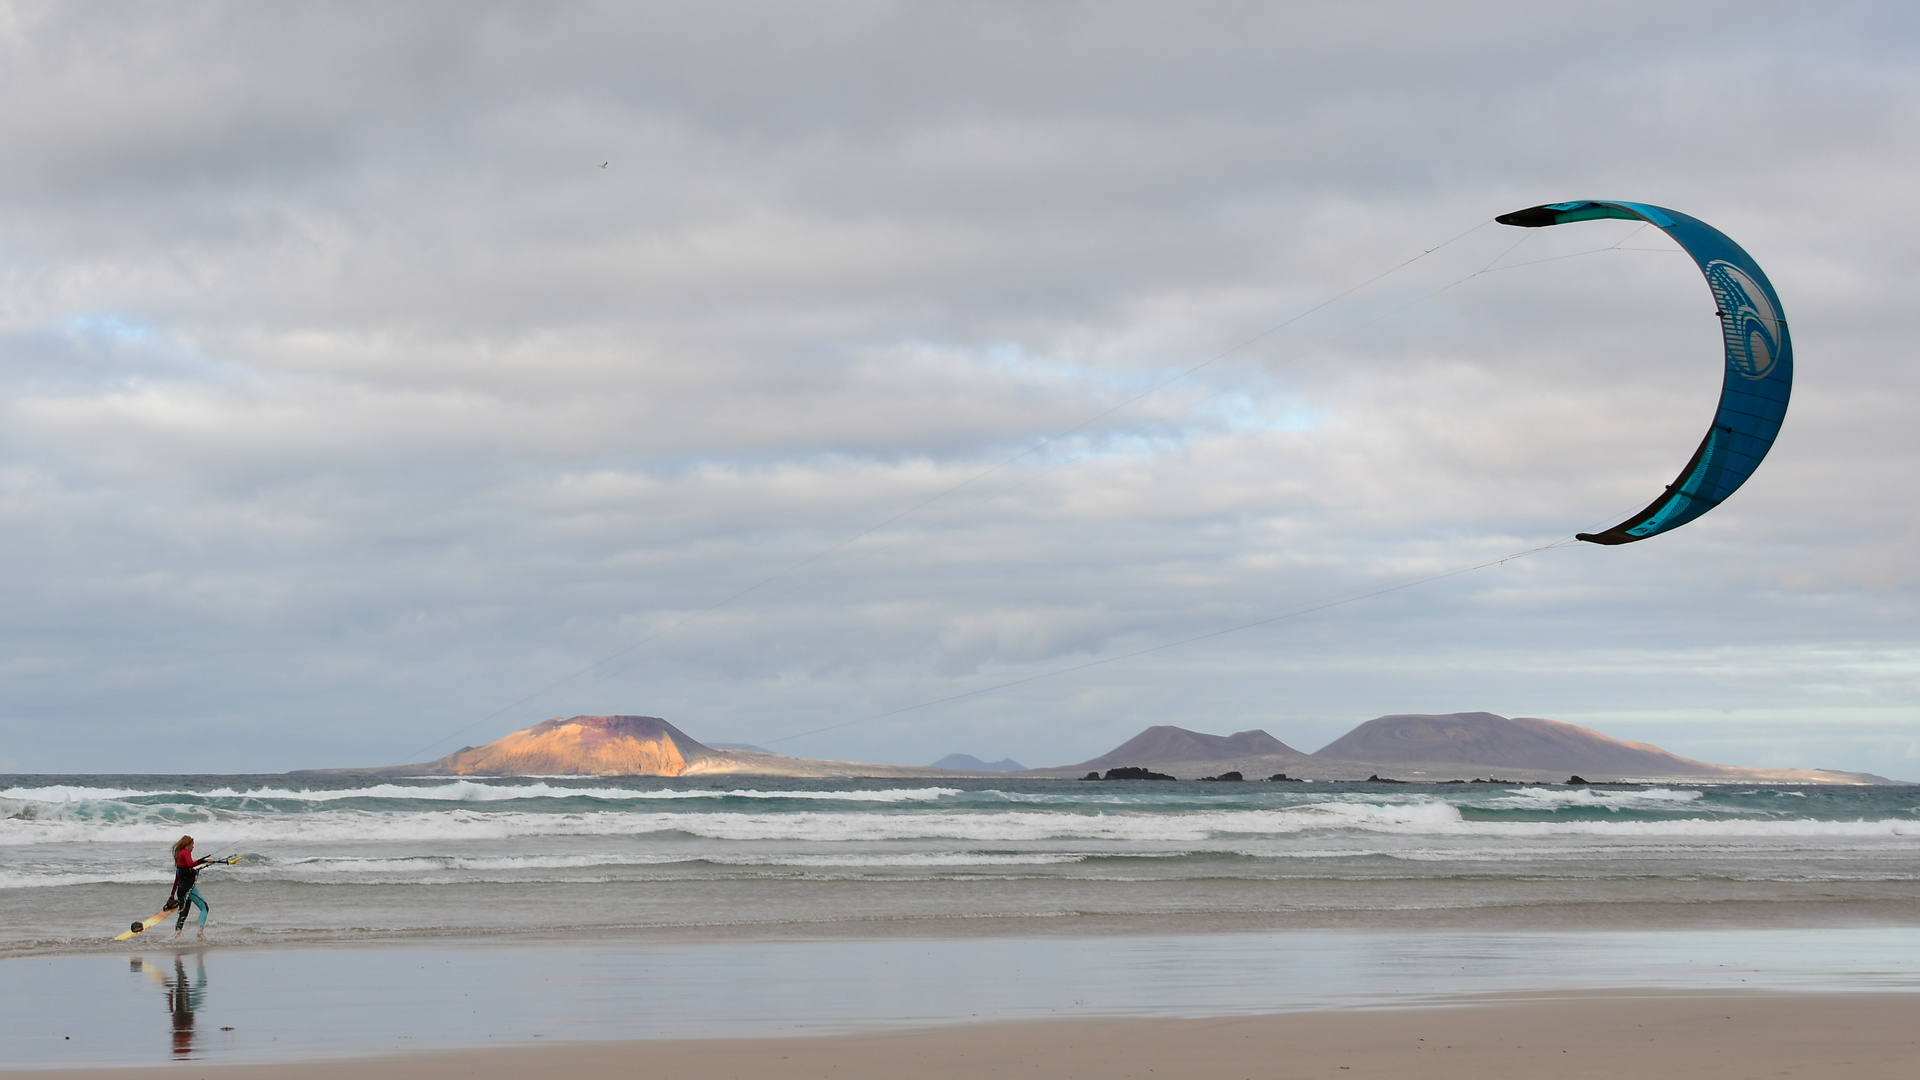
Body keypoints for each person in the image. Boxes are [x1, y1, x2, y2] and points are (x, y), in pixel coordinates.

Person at [168, 835, 213, 940]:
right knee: (204, 908)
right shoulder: (185, 852)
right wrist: (204, 861)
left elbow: (177, 877)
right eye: (192, 845)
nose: (193, 847)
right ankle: (200, 934)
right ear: (187, 844)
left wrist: (172, 893)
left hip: (181, 889)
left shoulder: (179, 855)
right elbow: (190, 864)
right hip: (189, 888)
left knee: (184, 912)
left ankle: (177, 935)